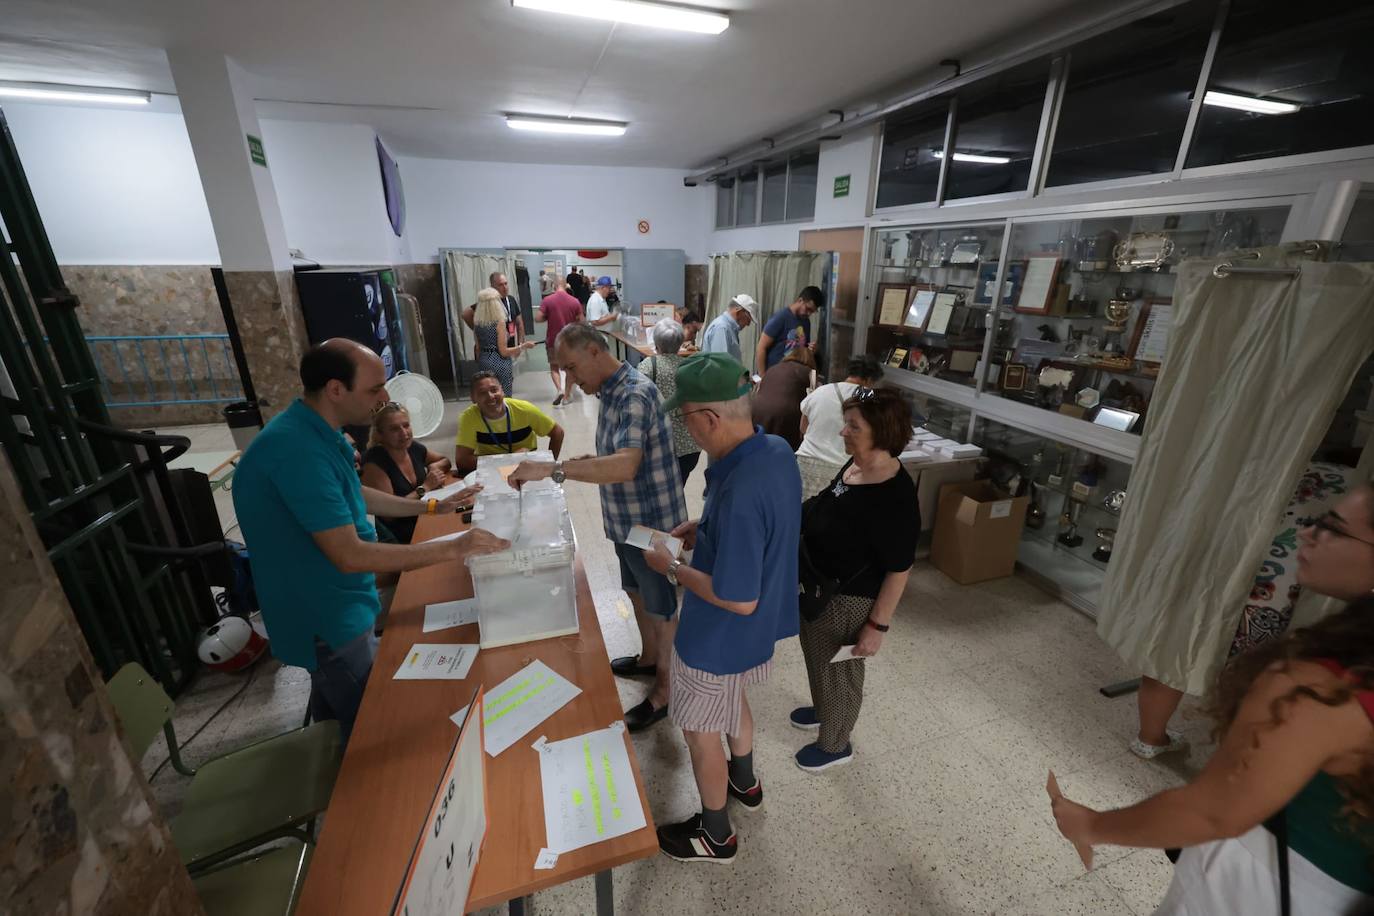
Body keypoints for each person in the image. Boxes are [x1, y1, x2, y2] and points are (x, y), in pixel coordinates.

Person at [1050, 484, 1374, 914]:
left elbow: (1213, 812)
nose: (1309, 534)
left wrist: (1091, 825)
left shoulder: (1320, 688)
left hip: (1263, 885)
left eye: (1332, 527)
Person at [232, 340, 506, 743]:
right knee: (372, 729)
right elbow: (348, 554)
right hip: (325, 615)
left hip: (347, 604)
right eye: (375, 388)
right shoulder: (296, 451)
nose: (385, 398)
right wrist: (455, 546)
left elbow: (355, 495)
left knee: (338, 716)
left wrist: (431, 507)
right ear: (335, 390)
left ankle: (332, 768)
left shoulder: (323, 433)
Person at [641, 352, 801, 863]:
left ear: (709, 419)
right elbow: (761, 533)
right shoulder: (773, 449)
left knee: (700, 732)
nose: (683, 429)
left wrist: (668, 566)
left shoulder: (740, 489)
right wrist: (702, 530)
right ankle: (747, 783)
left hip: (715, 637)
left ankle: (715, 834)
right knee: (735, 703)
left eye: (684, 418)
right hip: (756, 632)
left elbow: (736, 595)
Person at [507, 323, 687, 732]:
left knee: (661, 606)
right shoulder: (608, 391)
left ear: (593, 351)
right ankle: (649, 659)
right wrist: (579, 462)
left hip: (652, 523)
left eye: (571, 368)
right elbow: (609, 454)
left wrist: (553, 470)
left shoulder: (635, 393)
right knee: (636, 591)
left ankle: (666, 690)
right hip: (625, 519)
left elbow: (625, 464)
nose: (570, 380)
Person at [1130, 465, 1354, 760]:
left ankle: (1150, 737)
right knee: (1255, 671)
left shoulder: (1258, 456)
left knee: (1177, 642)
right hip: (1278, 588)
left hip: (1220, 560)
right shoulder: (1350, 487)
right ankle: (1232, 761)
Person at [792, 387, 918, 772]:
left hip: (849, 599)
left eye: (853, 426)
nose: (843, 432)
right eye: (845, 423)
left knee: (840, 672)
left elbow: (900, 568)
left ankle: (835, 744)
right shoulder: (853, 467)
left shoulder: (894, 496)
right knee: (817, 657)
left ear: (881, 431)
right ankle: (824, 706)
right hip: (819, 584)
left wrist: (876, 627)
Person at [360, 402, 454, 544]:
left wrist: (434, 467)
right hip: (403, 537)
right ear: (380, 435)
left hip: (425, 517)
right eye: (394, 429)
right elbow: (389, 514)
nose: (404, 433)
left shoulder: (412, 447)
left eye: (406, 425)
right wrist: (424, 488)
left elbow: (445, 461)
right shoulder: (374, 462)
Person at [795, 355, 884, 499]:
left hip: (806, 463)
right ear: (869, 379)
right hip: (841, 467)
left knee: (804, 513)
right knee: (832, 517)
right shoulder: (868, 397)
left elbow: (803, 427)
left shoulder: (821, 390)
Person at [455, 370, 565, 476]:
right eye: (482, 393)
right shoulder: (468, 417)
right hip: (492, 471)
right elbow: (462, 461)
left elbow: (557, 433)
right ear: (473, 398)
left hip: (526, 468)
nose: (490, 396)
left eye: (494, 390)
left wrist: (549, 466)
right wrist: (508, 460)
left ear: (502, 391)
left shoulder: (524, 409)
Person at [640, 318, 702, 488]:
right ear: (680, 342)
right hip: (690, 446)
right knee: (678, 489)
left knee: (660, 493)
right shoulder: (691, 367)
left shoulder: (647, 367)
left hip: (659, 446)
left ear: (656, 343)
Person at [472, 286, 536, 396]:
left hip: (483, 362)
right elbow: (503, 351)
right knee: (504, 397)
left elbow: (477, 349)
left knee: (488, 396)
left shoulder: (477, 324)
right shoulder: (499, 323)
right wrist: (523, 346)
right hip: (500, 363)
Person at [751, 346, 816, 450]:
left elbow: (760, 389)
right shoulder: (810, 374)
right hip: (786, 414)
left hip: (758, 410)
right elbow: (812, 401)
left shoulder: (773, 368)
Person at [536, 277, 584, 406]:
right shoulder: (575, 301)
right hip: (570, 341)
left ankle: (559, 390)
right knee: (570, 369)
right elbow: (582, 321)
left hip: (553, 340)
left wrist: (549, 315)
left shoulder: (547, 300)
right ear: (566, 285)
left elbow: (538, 318)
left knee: (554, 367)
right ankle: (568, 395)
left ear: (554, 285)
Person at [756, 285, 823, 374]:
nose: (809, 313)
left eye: (812, 311)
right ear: (800, 300)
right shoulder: (780, 318)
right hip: (774, 374)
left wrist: (811, 349)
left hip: (793, 375)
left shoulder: (806, 322)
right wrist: (762, 376)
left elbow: (804, 350)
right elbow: (761, 347)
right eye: (808, 309)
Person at [462, 271, 524, 348]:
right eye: (500, 285)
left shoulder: (511, 300)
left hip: (509, 344)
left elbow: (519, 323)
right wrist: (479, 331)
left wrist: (520, 344)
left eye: (506, 283)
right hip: (493, 348)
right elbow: (466, 314)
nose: (505, 287)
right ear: (493, 287)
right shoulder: (488, 302)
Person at [700, 294, 758, 363]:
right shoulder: (722, 328)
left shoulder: (728, 328)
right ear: (739, 311)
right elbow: (721, 364)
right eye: (748, 319)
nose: (748, 324)